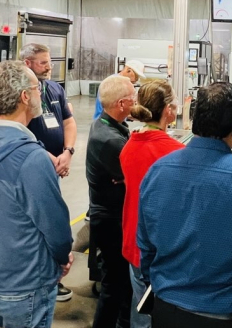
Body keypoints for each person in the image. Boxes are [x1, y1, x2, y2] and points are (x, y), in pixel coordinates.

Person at [137, 82, 232, 328]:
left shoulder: (157, 171)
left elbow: (145, 247)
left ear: (194, 119)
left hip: (168, 310)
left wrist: (163, 288)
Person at [0, 61, 73, 328]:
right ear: (24, 96)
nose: (40, 92)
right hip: (26, 281)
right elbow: (53, 225)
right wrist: (62, 256)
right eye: (36, 88)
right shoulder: (31, 158)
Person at [119, 79, 184, 328]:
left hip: (134, 240)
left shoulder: (129, 145)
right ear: (168, 110)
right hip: (164, 246)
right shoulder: (176, 152)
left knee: (141, 308)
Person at [21, 43, 77, 301]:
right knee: (38, 223)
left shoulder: (55, 89)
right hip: (35, 167)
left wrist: (68, 152)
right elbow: (19, 133)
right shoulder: (21, 95)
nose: (49, 66)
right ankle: (42, 278)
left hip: (56, 166)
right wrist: (50, 158)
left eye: (49, 61)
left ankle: (54, 276)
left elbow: (69, 122)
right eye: (43, 62)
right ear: (27, 63)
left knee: (52, 219)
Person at [87, 74, 136, 328]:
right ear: (121, 104)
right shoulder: (110, 140)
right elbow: (139, 178)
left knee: (119, 284)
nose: (135, 102)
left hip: (109, 216)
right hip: (111, 221)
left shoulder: (107, 125)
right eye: (132, 98)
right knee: (115, 285)